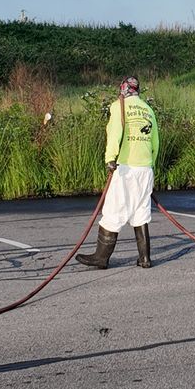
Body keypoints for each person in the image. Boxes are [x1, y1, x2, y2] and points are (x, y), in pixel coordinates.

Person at [77, 76, 160, 269]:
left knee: (113, 211)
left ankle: (101, 257)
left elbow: (115, 133)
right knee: (140, 211)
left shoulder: (118, 106)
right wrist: (150, 165)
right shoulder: (148, 110)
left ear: (123, 89)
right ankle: (145, 258)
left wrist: (110, 159)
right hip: (145, 168)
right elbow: (155, 142)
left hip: (125, 168)